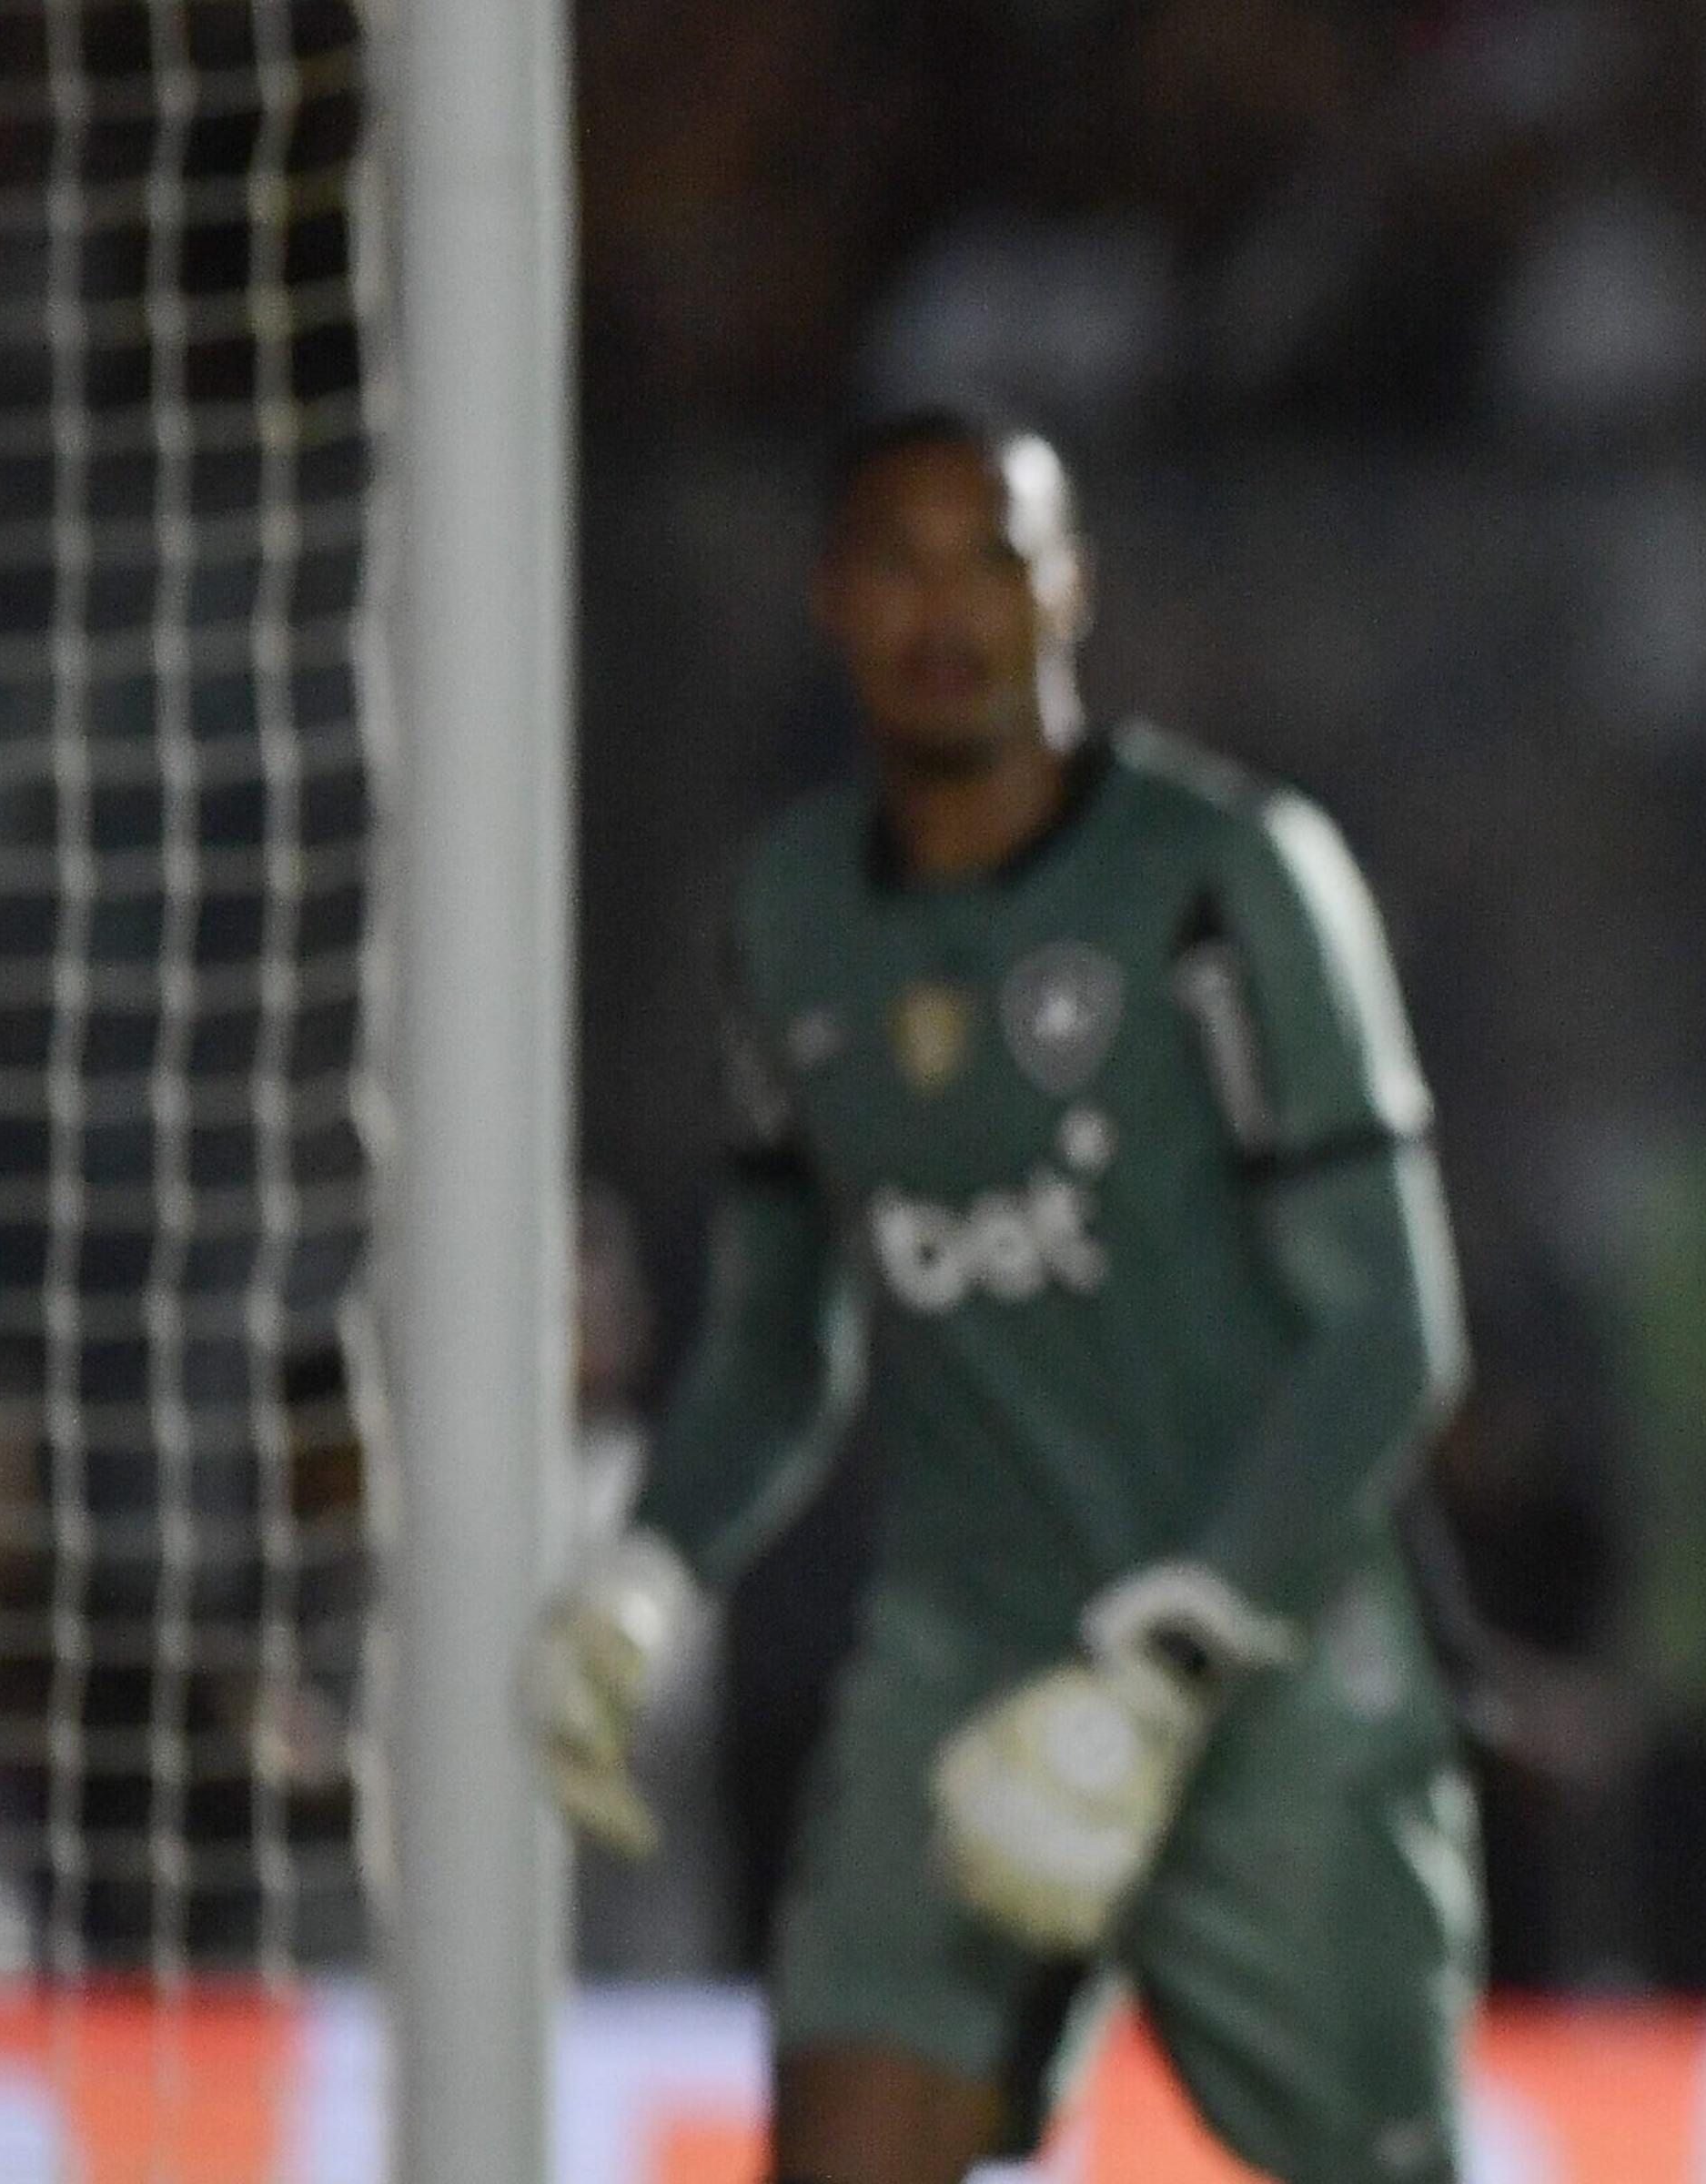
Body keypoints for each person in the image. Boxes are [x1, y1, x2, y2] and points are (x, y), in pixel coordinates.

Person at [527, 408, 1479, 2184]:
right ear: (828, 598)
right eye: (900, 561)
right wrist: (657, 1561)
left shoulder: (1230, 877)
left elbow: (1390, 1331)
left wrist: (1178, 1649)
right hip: (969, 1646)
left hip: (1266, 1653)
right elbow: (773, 1338)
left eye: (995, 559)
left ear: (1072, 594)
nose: (945, 608)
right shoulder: (792, 916)